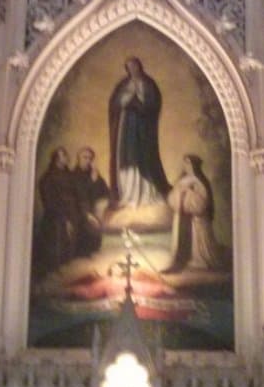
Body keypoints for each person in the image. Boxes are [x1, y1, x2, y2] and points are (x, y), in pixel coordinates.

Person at [108, 57, 170, 209]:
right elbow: (114, 104)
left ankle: (146, 194)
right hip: (126, 128)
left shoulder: (148, 84)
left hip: (143, 128)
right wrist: (127, 98)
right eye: (129, 67)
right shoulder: (123, 85)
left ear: (139, 67)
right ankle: (128, 195)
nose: (132, 70)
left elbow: (154, 104)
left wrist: (140, 100)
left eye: (134, 66)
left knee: (144, 158)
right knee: (128, 158)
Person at [165, 154, 224, 272]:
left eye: (188, 163)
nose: (186, 166)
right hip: (182, 217)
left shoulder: (200, 180)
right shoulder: (182, 180)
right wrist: (179, 194)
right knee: (184, 239)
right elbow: (172, 197)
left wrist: (189, 193)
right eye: (185, 163)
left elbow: (203, 200)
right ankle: (185, 259)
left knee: (199, 242)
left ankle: (201, 260)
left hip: (198, 218)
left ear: (193, 165)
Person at [33, 147, 81, 276]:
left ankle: (67, 268)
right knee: (58, 241)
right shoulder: (48, 177)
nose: (67, 158)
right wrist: (64, 218)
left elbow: (77, 192)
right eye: (63, 156)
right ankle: (56, 270)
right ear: (57, 160)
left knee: (72, 241)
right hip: (56, 216)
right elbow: (49, 200)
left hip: (72, 213)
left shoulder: (70, 175)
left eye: (66, 156)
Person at [71, 147, 109, 257]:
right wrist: (87, 214)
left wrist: (96, 180)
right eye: (85, 157)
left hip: (93, 208)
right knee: (89, 225)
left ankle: (93, 250)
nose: (87, 160)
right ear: (79, 158)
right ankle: (83, 252)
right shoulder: (74, 175)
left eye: (90, 158)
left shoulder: (93, 174)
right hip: (78, 209)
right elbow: (80, 195)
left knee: (98, 222)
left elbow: (105, 191)